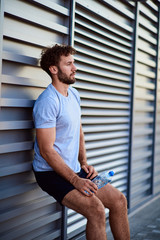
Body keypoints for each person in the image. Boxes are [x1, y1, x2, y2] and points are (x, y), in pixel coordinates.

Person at [32, 44, 130, 240]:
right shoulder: (48, 101)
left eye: (73, 63)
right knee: (96, 210)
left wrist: (83, 163)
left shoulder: (73, 95)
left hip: (74, 169)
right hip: (50, 173)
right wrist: (76, 180)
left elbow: (78, 132)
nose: (74, 68)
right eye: (69, 64)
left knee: (119, 200)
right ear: (54, 69)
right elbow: (46, 151)